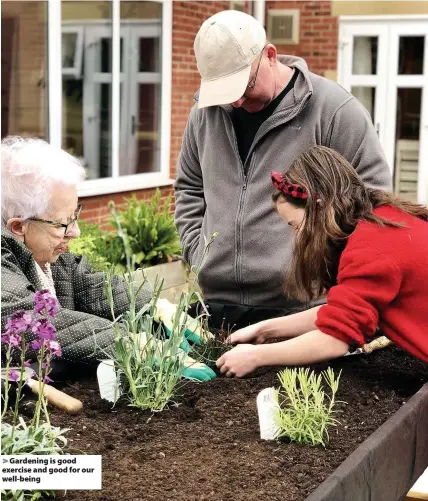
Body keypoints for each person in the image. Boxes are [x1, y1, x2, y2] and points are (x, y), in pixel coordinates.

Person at [174, 10, 392, 332]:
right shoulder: (203, 116)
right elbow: (190, 187)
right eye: (225, 91)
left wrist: (325, 265)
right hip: (218, 307)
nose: (235, 101)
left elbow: (373, 200)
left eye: (244, 86)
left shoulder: (333, 110)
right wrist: (198, 252)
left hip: (300, 312)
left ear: (270, 55)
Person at [215, 146, 428, 377]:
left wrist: (256, 356)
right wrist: (264, 329)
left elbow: (335, 339)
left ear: (318, 206)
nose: (296, 237)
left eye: (295, 225)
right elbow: (339, 313)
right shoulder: (383, 219)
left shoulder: (371, 249)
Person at [1, 136, 151, 368]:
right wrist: (135, 345)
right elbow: (34, 321)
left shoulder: (51, 261)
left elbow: (104, 291)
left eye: (74, 217)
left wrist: (162, 311)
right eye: (63, 224)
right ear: (18, 227)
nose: (76, 232)